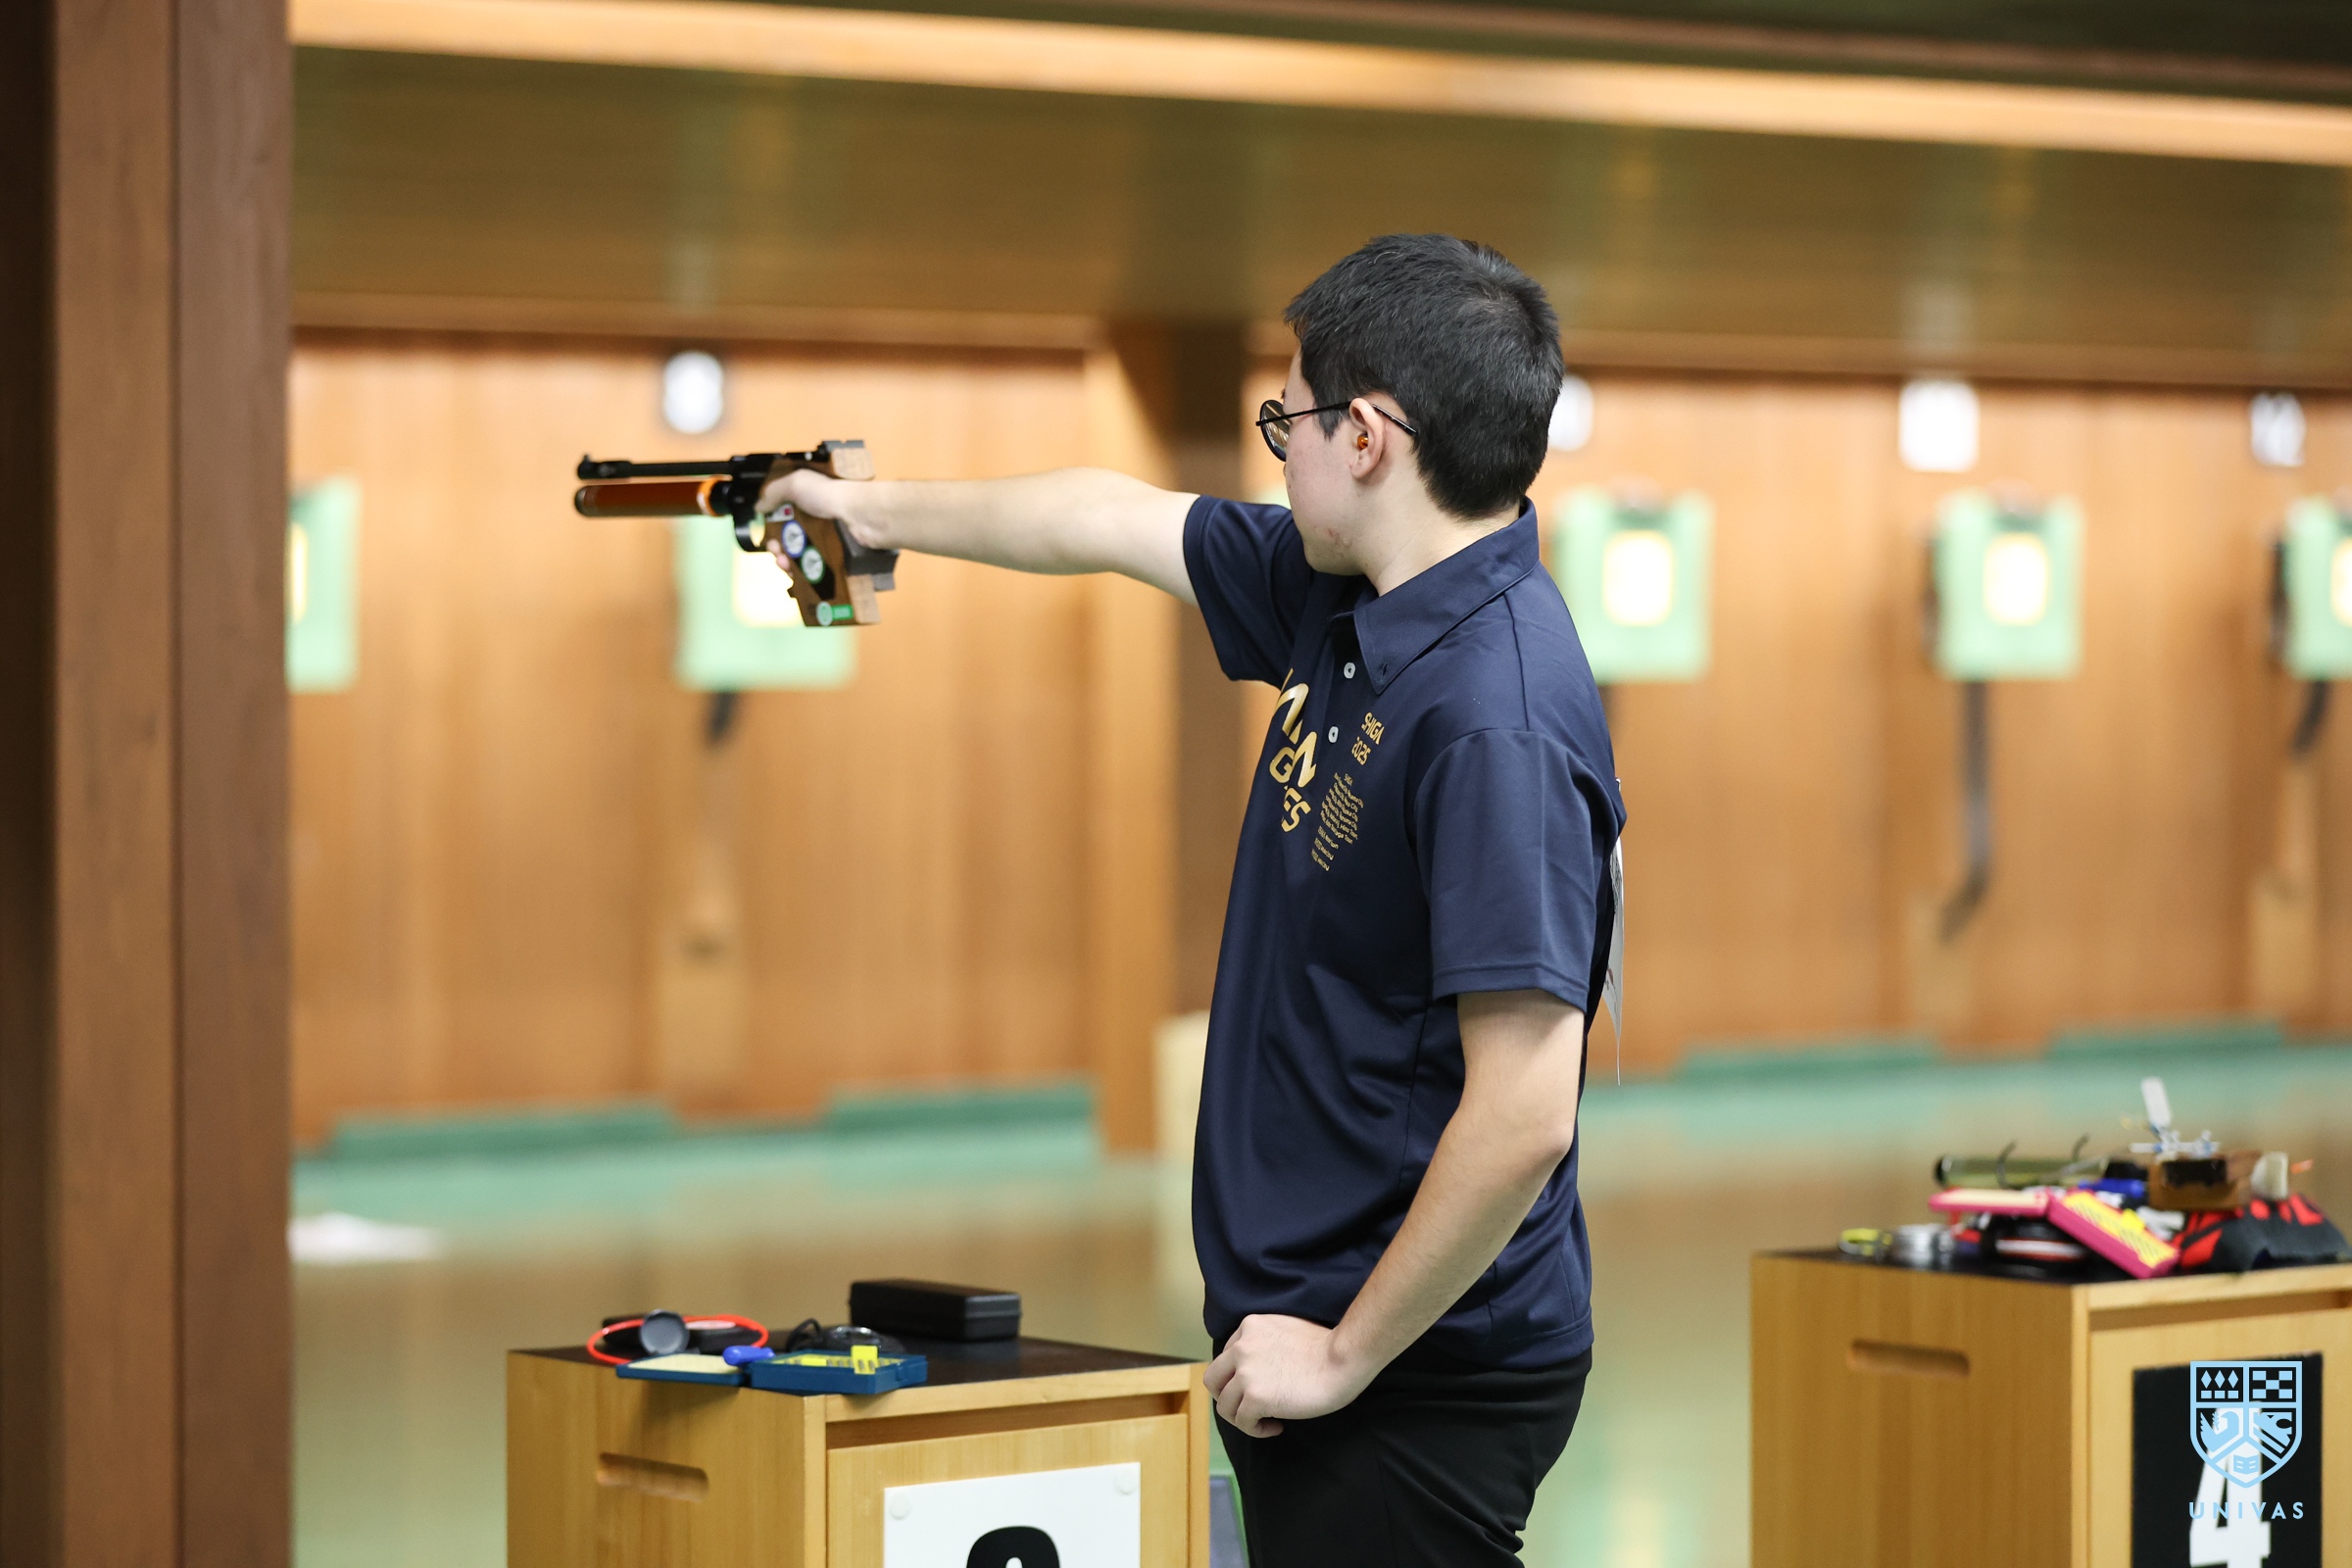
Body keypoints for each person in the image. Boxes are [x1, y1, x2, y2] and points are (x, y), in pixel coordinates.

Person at [762, 232, 1623, 1566]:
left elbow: (1523, 1112)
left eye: (1288, 423)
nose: (1277, 455)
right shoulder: (1349, 598)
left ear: (1368, 438)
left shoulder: (1492, 714)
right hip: (1324, 1327)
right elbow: (1103, 518)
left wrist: (1345, 1354)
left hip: (1415, 1364)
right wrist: (867, 513)